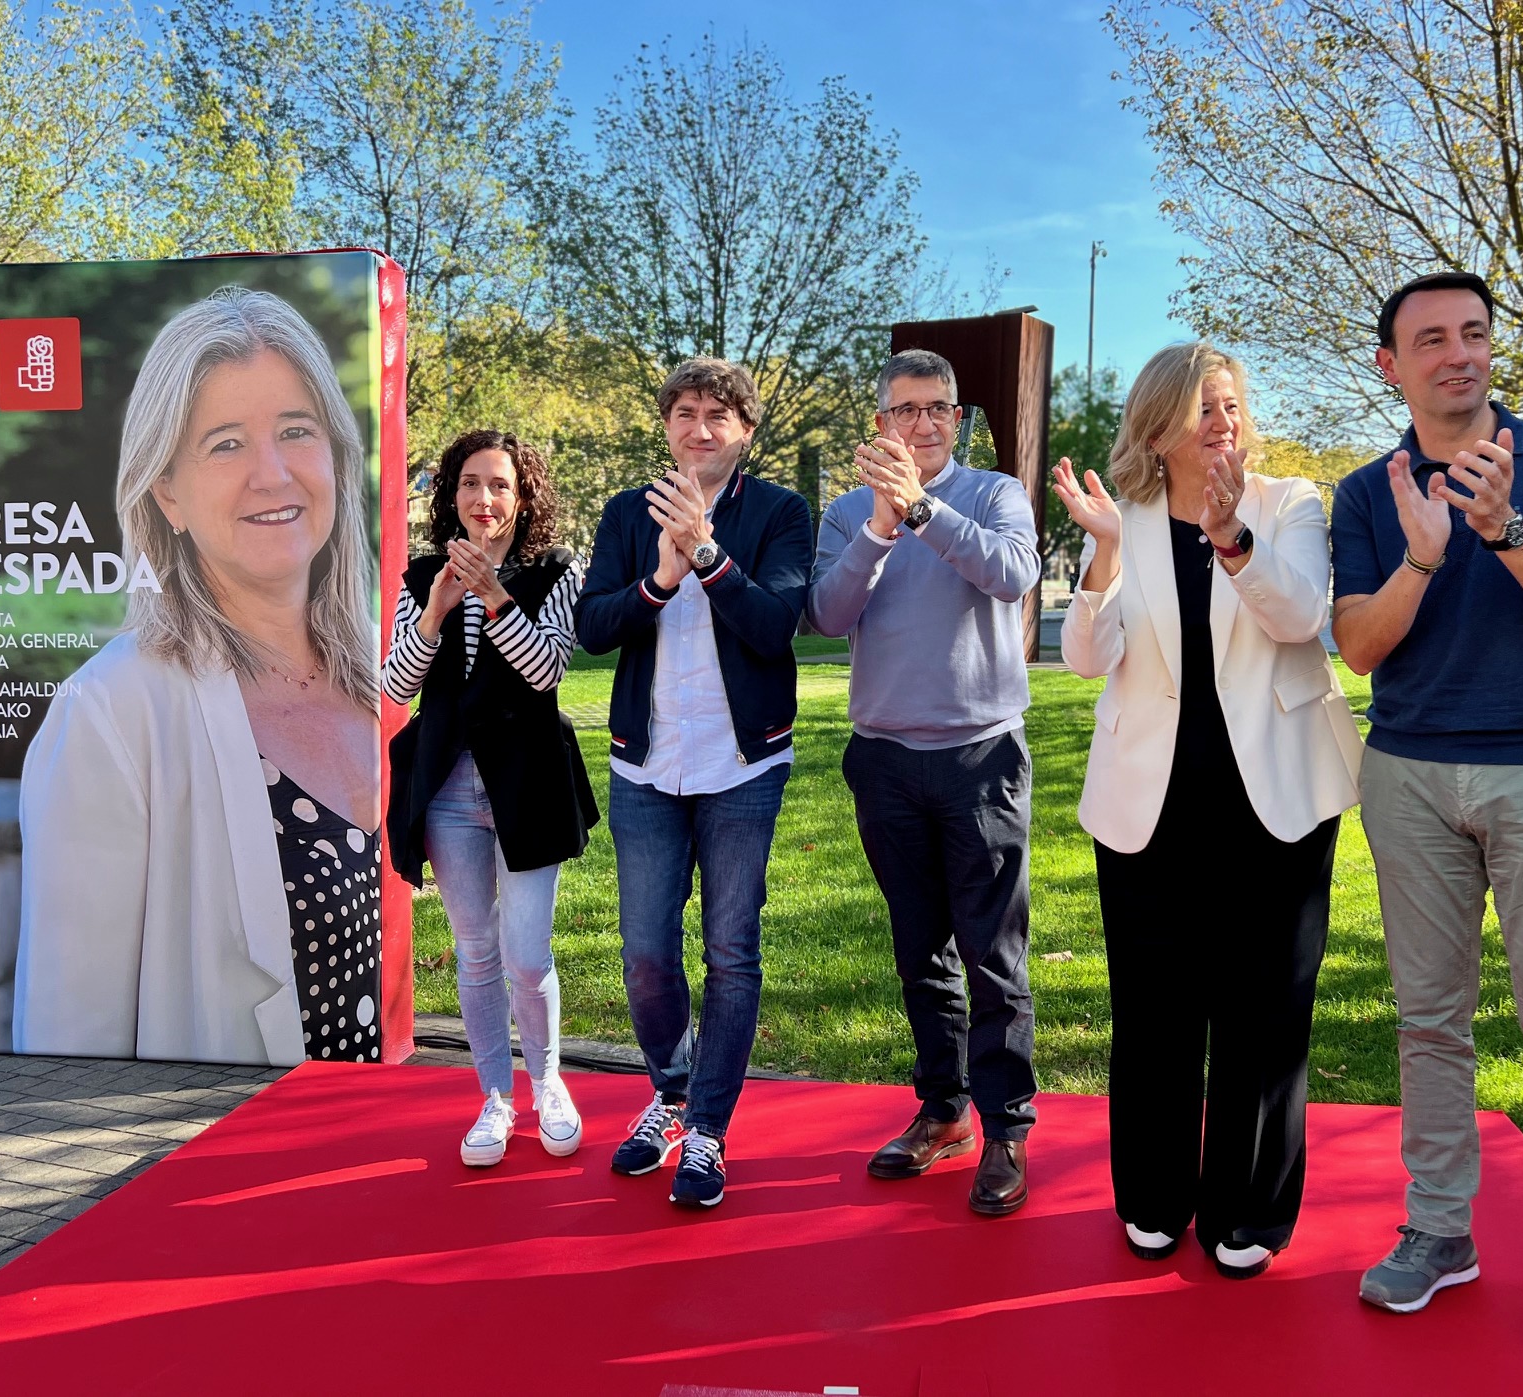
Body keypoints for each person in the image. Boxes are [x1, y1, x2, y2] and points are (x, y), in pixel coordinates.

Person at [1331, 272, 1523, 1356]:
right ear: (1391, 364)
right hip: (1411, 777)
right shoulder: (1367, 492)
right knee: (1428, 1023)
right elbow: (1361, 645)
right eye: (1432, 339)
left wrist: (1505, 529)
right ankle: (1441, 1229)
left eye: (1473, 333)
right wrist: (1424, 553)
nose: (1459, 353)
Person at [1052, 342, 1362, 1275]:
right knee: (1154, 1012)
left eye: (1230, 403)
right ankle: (1153, 1195)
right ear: (1157, 425)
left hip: (1278, 803)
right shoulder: (1124, 516)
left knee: (1265, 1015)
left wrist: (1233, 540)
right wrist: (1102, 552)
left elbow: (1302, 618)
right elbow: (1082, 656)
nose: (1223, 422)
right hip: (1149, 808)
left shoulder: (1290, 502)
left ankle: (1248, 1211)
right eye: (1202, 407)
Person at [15, 286, 381, 1066]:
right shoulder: (110, 711)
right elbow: (66, 1043)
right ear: (167, 492)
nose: (272, 472)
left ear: (337, 458)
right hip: (210, 1161)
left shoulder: (377, 678)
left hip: (366, 1154)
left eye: (295, 431)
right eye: (225, 443)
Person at [806, 348, 1041, 1216]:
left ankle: (1007, 1123)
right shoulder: (843, 513)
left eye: (940, 408)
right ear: (881, 422)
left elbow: (1011, 575)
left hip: (981, 757)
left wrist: (923, 509)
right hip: (886, 759)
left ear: (957, 420)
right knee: (922, 951)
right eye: (906, 409)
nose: (925, 422)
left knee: (993, 951)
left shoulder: (992, 495)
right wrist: (879, 524)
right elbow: (827, 615)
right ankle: (943, 1110)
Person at [573, 357, 812, 1210]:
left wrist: (707, 554)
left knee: (731, 951)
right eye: (684, 412)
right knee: (644, 953)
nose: (699, 427)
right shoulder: (626, 513)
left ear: (745, 430)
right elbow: (594, 625)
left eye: (718, 414)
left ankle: (707, 1126)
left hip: (742, 764)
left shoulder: (780, 511)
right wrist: (660, 576)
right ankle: (670, 1092)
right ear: (666, 425)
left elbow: (775, 625)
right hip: (646, 761)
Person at [382, 429, 597, 1167]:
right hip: (446, 786)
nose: (484, 498)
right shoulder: (419, 577)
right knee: (475, 951)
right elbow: (396, 685)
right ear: (451, 493)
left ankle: (548, 1084)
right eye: (470, 483)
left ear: (522, 493)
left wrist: (496, 596)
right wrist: (439, 611)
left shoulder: (556, 571)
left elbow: (545, 673)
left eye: (499, 484)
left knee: (527, 954)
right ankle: (494, 1098)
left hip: (528, 782)